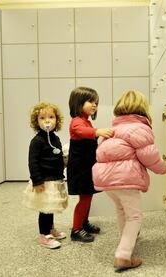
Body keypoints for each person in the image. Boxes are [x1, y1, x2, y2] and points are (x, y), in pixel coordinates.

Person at [92, 90, 166, 272]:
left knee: (121, 210)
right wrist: (163, 168)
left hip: (106, 179)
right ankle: (123, 256)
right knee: (134, 216)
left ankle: (126, 241)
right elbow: (149, 157)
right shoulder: (140, 129)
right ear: (143, 108)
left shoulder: (113, 129)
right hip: (125, 179)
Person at [67, 86, 114, 242]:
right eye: (90, 101)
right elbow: (81, 132)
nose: (94, 105)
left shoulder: (86, 122)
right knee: (85, 198)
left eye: (96, 102)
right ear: (78, 103)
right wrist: (97, 132)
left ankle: (83, 223)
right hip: (80, 169)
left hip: (87, 167)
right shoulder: (76, 122)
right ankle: (76, 229)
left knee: (88, 196)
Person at [22, 102, 68, 249]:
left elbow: (58, 157)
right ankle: (44, 235)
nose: (47, 120)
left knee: (51, 207)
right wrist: (37, 180)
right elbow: (33, 162)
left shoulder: (56, 139)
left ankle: (51, 229)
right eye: (42, 118)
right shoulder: (37, 141)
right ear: (36, 122)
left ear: (57, 120)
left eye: (51, 117)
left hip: (55, 179)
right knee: (45, 209)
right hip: (44, 181)